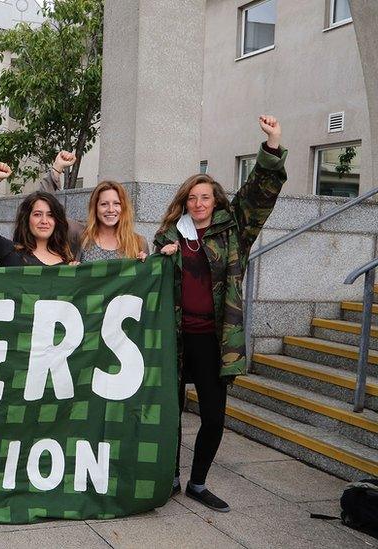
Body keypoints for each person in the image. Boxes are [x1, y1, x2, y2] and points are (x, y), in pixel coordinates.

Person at [156, 115, 287, 513]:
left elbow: (260, 195)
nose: (198, 204)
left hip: (215, 340)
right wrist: (157, 259)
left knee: (213, 417)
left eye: (206, 198)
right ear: (184, 202)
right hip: (175, 338)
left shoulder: (235, 231)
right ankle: (171, 478)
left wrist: (272, 144)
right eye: (193, 198)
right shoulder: (168, 236)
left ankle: (197, 482)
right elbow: (148, 283)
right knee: (169, 415)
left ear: (216, 202)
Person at [0, 162, 79, 266]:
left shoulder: (67, 260)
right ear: (27, 219)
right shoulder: (10, 253)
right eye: (37, 214)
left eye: (50, 215)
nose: (44, 221)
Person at [78, 181, 149, 262]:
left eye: (116, 203)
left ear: (123, 208)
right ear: (95, 207)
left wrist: (144, 263)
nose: (111, 210)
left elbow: (148, 273)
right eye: (104, 204)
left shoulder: (138, 242)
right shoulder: (82, 240)